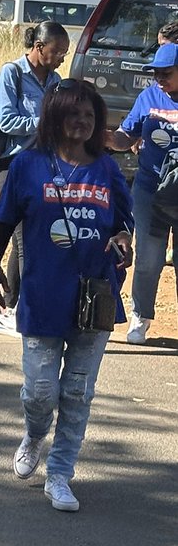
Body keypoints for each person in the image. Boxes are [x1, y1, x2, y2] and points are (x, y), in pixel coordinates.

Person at [0, 80, 133, 513]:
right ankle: (34, 433)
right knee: (40, 392)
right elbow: (3, 221)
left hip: (95, 297)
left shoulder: (107, 170)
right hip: (42, 295)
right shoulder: (28, 165)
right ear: (54, 117)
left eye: (89, 115)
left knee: (78, 392)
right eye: (73, 114)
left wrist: (123, 240)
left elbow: (124, 223)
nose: (82, 122)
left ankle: (61, 474)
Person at [0, 21, 70, 336]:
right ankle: (21, 311)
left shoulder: (56, 81)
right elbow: (7, 120)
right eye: (56, 51)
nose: (61, 57)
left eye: (64, 52)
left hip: (45, 166)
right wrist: (47, 121)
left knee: (24, 239)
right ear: (38, 47)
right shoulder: (12, 74)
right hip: (13, 166)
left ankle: (8, 307)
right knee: (26, 240)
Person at [106, 40, 178, 345]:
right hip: (150, 191)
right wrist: (108, 138)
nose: (160, 77)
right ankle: (141, 315)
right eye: (156, 72)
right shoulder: (148, 97)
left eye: (167, 72)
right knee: (149, 260)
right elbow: (126, 136)